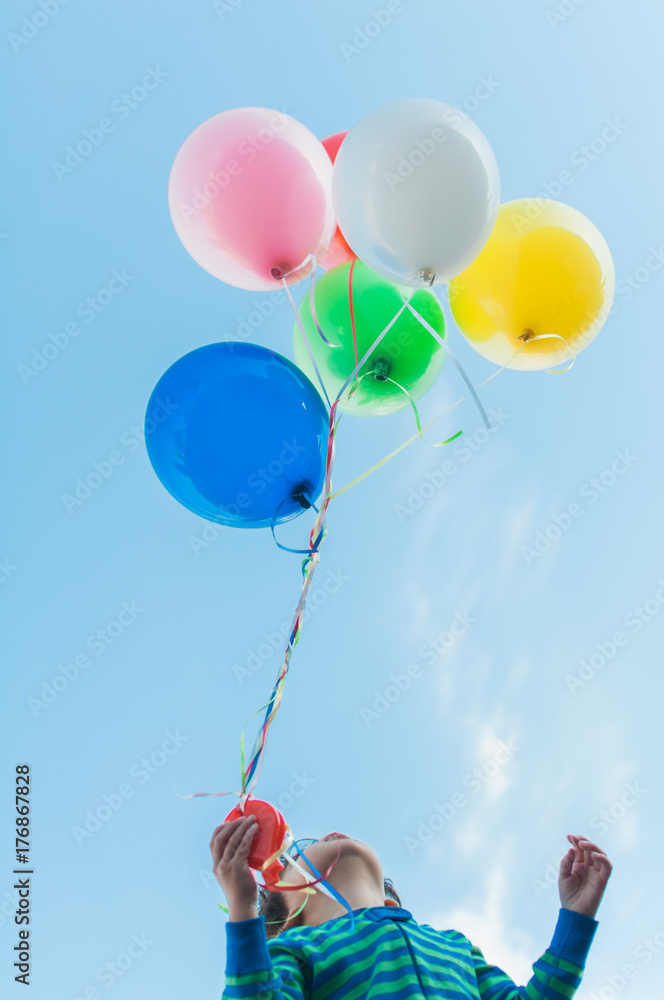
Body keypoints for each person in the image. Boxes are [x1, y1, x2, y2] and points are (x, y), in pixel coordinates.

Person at [209, 817, 612, 999]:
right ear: (288, 916)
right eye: (300, 852)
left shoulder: (453, 945)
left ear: (390, 901)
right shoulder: (296, 947)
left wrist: (574, 919)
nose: (329, 833)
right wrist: (243, 910)